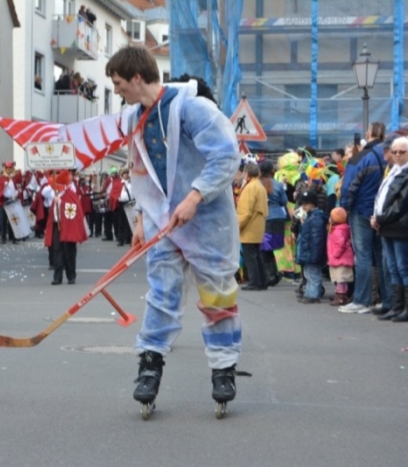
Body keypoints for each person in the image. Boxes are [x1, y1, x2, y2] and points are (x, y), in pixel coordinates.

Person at [106, 47, 243, 410]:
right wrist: (140, 217)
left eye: (119, 84)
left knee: (217, 296)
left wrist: (196, 196)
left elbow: (227, 155)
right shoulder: (134, 117)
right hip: (162, 221)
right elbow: (140, 173)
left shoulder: (193, 108)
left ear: (137, 78)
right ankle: (149, 366)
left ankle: (223, 368)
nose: (117, 90)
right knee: (161, 293)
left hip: (206, 219)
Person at [339, 122, 391, 314]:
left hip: (361, 211)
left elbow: (348, 187)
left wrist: (345, 207)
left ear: (368, 134)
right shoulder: (390, 156)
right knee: (382, 257)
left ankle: (362, 299)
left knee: (363, 257)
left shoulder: (360, 158)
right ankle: (388, 300)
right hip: (383, 213)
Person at [372, 136, 408, 322]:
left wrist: (380, 217)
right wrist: (376, 216)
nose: (398, 155)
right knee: (393, 268)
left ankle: (405, 308)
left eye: (402, 152)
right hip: (387, 226)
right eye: (395, 152)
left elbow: (401, 204)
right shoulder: (393, 170)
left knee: (403, 267)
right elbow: (382, 197)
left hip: (400, 226)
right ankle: (397, 306)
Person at [44, 170, 87, 285]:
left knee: (69, 253)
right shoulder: (55, 195)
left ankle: (71, 276)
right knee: (57, 251)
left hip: (68, 227)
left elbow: (75, 211)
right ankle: (57, 277)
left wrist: (61, 203)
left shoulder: (70, 195)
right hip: (56, 226)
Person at [237, 163, 269, 290]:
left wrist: (237, 226)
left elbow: (246, 212)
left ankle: (255, 282)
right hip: (257, 225)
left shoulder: (250, 188)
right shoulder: (259, 185)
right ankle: (262, 281)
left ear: (247, 173)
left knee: (250, 256)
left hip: (249, 227)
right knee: (257, 255)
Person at [259, 160, 288, 286]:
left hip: (264, 217)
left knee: (264, 248)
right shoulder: (278, 185)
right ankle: (275, 273)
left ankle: (270, 275)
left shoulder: (257, 184)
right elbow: (284, 201)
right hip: (278, 216)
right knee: (272, 248)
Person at [295, 190, 327, 304]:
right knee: (308, 274)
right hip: (308, 252)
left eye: (307, 203)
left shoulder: (316, 218)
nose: (304, 206)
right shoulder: (309, 217)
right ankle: (309, 293)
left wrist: (315, 255)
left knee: (313, 275)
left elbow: (317, 239)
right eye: (303, 204)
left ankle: (313, 295)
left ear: (313, 203)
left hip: (312, 253)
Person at [327, 207, 353, 306]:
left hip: (340, 260)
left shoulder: (339, 230)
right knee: (338, 279)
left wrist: (335, 254)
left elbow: (340, 244)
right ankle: (339, 295)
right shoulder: (336, 228)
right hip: (336, 260)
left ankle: (342, 297)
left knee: (341, 279)